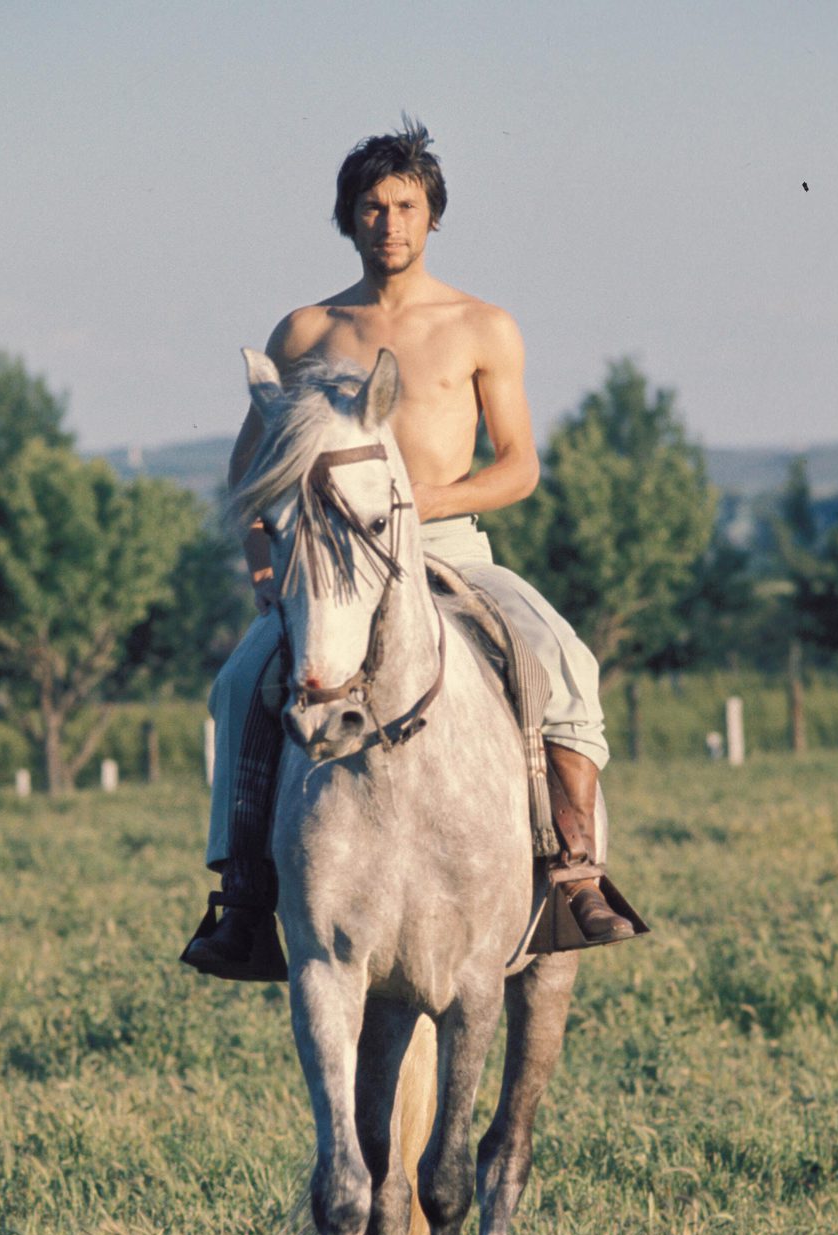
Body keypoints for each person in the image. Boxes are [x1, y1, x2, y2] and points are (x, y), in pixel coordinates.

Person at [184, 119, 634, 977]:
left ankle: (575, 868)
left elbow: (519, 467)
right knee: (240, 681)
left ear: (432, 216)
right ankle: (242, 898)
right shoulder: (306, 333)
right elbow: (251, 472)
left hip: (450, 548)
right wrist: (261, 561)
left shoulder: (482, 326)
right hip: (330, 564)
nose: (389, 222)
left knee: (564, 657)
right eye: (371, 207)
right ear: (347, 219)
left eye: (406, 205)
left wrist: (426, 500)